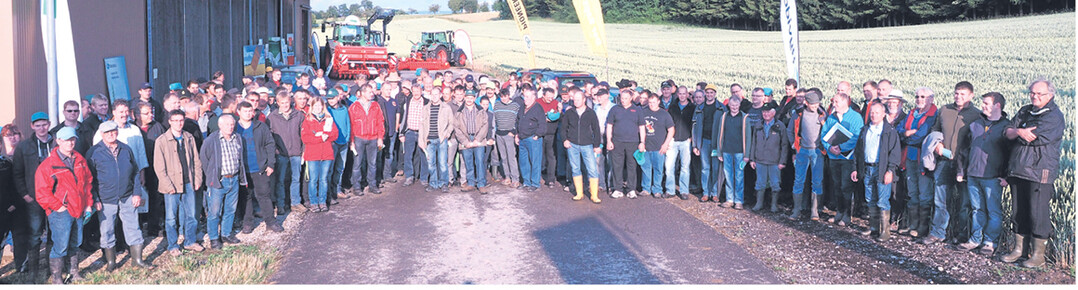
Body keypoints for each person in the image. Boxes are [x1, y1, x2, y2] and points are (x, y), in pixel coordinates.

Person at [999, 79, 1064, 268]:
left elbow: (1032, 139)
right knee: (1019, 212)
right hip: (1018, 169)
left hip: (1040, 171)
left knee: (1038, 214)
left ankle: (1038, 256)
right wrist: (1019, 131)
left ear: (1050, 95)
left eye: (1040, 94)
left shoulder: (1054, 117)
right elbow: (1007, 132)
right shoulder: (1025, 110)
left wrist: (1017, 132)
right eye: (1032, 93)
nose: (1035, 96)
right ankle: (1019, 250)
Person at [86, 121, 153, 271]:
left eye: (113, 131)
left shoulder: (126, 149)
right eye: (107, 132)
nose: (111, 134)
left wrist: (137, 193)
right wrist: (95, 198)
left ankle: (137, 259)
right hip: (105, 198)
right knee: (107, 229)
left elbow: (135, 172)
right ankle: (111, 262)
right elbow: (89, 179)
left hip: (127, 195)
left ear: (117, 131)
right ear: (101, 134)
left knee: (133, 227)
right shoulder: (94, 152)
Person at [922, 81, 981, 245]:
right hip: (943, 161)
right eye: (956, 93)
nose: (958, 97)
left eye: (963, 94)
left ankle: (961, 235)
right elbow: (934, 130)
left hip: (965, 165)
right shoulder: (944, 110)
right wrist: (937, 145)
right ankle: (937, 233)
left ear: (971, 95)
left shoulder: (977, 114)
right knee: (940, 200)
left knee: (964, 203)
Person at [953, 92, 1010, 254]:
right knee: (977, 209)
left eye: (986, 103)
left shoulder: (1006, 126)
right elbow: (964, 150)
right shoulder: (975, 124)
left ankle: (989, 242)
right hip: (972, 176)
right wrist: (961, 171)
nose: (982, 106)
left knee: (993, 211)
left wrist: (1006, 176)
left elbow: (1010, 154)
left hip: (993, 177)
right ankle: (975, 240)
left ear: (997, 105)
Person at [35, 127, 93, 284]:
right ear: (58, 141)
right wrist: (58, 207)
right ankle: (56, 277)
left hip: (79, 208)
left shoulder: (79, 159)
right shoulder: (48, 165)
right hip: (60, 212)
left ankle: (74, 272)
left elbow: (87, 183)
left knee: (76, 242)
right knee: (60, 245)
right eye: (66, 140)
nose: (70, 143)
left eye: (73, 139)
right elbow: (41, 193)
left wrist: (88, 204)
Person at [153, 110, 204, 256]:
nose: (178, 123)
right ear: (169, 121)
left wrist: (197, 179)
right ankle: (173, 245)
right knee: (171, 217)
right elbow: (159, 167)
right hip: (171, 185)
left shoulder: (188, 137)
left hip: (188, 182)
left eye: (181, 120)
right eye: (175, 120)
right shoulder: (162, 141)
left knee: (192, 215)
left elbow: (196, 160)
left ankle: (189, 241)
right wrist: (168, 186)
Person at [11, 112, 54, 279]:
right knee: (35, 233)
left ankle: (53, 267)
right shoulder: (24, 147)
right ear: (32, 126)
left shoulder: (57, 143)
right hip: (33, 198)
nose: (41, 128)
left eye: (44, 124)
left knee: (53, 233)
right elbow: (17, 173)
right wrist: (25, 194)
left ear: (49, 124)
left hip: (53, 197)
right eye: (37, 125)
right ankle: (34, 270)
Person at [851, 103, 901, 241]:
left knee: (883, 200)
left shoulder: (889, 131)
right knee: (870, 199)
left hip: (882, 169)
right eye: (872, 112)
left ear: (884, 114)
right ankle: (873, 227)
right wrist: (855, 168)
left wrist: (890, 170)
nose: (873, 115)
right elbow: (858, 151)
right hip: (867, 168)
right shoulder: (865, 130)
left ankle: (885, 231)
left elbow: (895, 153)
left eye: (877, 113)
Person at [235, 102, 283, 234]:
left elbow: (269, 144)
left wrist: (270, 164)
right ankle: (247, 223)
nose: (249, 113)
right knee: (246, 197)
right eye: (245, 111)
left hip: (259, 168)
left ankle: (271, 222)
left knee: (264, 196)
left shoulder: (260, 126)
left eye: (251, 111)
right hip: (243, 170)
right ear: (238, 112)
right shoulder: (234, 127)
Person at [899, 87, 938, 238]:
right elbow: (899, 130)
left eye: (923, 97)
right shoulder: (911, 113)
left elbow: (922, 136)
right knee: (912, 191)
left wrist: (907, 136)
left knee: (924, 193)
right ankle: (913, 224)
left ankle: (922, 227)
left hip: (923, 160)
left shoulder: (933, 115)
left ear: (931, 99)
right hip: (910, 157)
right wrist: (906, 133)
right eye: (917, 97)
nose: (919, 99)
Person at [821, 92, 863, 226]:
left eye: (836, 102)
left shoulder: (856, 117)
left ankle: (847, 214)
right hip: (834, 157)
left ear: (845, 102)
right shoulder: (831, 117)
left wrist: (841, 147)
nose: (834, 104)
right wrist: (829, 147)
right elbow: (824, 135)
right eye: (834, 102)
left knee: (846, 186)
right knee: (837, 185)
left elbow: (857, 136)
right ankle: (839, 211)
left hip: (848, 158)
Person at [786, 91, 826, 220]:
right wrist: (794, 145)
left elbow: (829, 131)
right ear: (806, 103)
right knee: (798, 181)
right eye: (812, 104)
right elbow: (790, 130)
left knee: (817, 182)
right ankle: (796, 209)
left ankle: (815, 211)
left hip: (817, 151)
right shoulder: (798, 114)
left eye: (817, 104)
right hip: (802, 151)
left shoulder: (823, 114)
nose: (815, 106)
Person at [560, 87, 603, 203]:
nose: (576, 102)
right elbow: (563, 128)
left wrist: (596, 145)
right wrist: (565, 140)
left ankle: (594, 195)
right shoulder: (569, 112)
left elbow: (596, 130)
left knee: (592, 169)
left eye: (578, 99)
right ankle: (579, 193)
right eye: (574, 99)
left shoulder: (591, 113)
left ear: (584, 100)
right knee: (575, 169)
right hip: (572, 144)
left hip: (587, 145)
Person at [266, 91, 306, 213]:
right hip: (281, 153)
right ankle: (281, 204)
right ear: (277, 103)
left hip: (296, 152)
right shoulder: (272, 117)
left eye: (287, 102)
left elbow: (303, 135)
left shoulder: (299, 115)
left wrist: (303, 151)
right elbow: (269, 137)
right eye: (282, 103)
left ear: (291, 102)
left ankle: (295, 202)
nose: (285, 105)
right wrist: (275, 150)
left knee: (295, 178)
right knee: (281, 180)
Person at [300, 98, 339, 212]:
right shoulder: (307, 120)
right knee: (313, 180)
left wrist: (326, 135)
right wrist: (319, 138)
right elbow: (305, 138)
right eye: (315, 106)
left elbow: (334, 134)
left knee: (323, 179)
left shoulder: (329, 119)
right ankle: (313, 202)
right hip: (312, 154)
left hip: (326, 153)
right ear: (312, 107)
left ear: (323, 106)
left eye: (320, 106)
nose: (318, 108)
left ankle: (322, 201)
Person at [748, 103, 786, 212]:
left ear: (773, 113)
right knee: (760, 183)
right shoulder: (758, 125)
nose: (766, 114)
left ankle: (774, 205)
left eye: (768, 111)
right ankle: (759, 203)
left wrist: (782, 161)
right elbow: (753, 143)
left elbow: (784, 145)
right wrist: (752, 159)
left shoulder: (780, 126)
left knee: (775, 183)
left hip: (775, 161)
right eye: (764, 111)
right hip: (760, 160)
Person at [349, 84, 386, 195]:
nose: (372, 94)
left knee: (372, 163)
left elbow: (380, 122)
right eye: (370, 92)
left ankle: (372, 185)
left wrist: (380, 138)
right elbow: (351, 125)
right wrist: (352, 142)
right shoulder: (354, 107)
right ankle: (356, 186)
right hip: (359, 138)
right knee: (357, 164)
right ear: (363, 93)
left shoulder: (375, 106)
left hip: (373, 138)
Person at [714, 95, 749, 208]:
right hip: (726, 151)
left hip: (739, 152)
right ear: (728, 105)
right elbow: (720, 134)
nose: (734, 107)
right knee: (728, 176)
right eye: (732, 105)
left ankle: (739, 200)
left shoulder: (744, 118)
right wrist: (719, 151)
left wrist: (747, 154)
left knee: (739, 176)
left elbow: (748, 138)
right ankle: (729, 199)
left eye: (736, 105)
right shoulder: (724, 117)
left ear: (739, 105)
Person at [693, 84, 725, 202]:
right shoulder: (699, 108)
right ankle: (705, 192)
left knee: (716, 168)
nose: (710, 94)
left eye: (712, 92)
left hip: (716, 143)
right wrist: (695, 145)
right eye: (708, 92)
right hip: (704, 142)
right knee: (705, 168)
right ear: (705, 94)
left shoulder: (721, 108)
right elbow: (694, 127)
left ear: (715, 94)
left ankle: (715, 193)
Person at [453, 91, 490, 193]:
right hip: (465, 139)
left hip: (479, 139)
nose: (469, 100)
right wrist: (465, 141)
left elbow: (485, 125)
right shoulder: (459, 112)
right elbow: (456, 128)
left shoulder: (481, 110)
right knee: (468, 163)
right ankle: (470, 183)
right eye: (467, 97)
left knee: (479, 162)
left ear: (474, 99)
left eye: (471, 97)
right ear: (464, 98)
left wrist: (477, 139)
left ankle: (481, 184)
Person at [420, 87, 455, 193]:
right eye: (432, 94)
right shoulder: (425, 108)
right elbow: (421, 125)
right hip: (429, 140)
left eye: (436, 94)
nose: (434, 97)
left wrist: (446, 135)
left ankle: (443, 183)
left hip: (441, 139)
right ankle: (433, 183)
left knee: (443, 163)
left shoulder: (446, 107)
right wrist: (422, 140)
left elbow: (451, 123)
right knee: (431, 163)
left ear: (440, 95)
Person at [640, 93, 675, 198]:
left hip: (659, 147)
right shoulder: (643, 112)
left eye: (654, 102)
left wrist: (665, 144)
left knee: (658, 170)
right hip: (646, 146)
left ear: (658, 102)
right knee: (645, 168)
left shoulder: (664, 114)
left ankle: (657, 189)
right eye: (650, 102)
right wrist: (641, 142)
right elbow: (640, 127)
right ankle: (646, 189)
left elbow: (671, 130)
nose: (651, 104)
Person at [665, 86, 695, 200]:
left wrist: (691, 138)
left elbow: (694, 124)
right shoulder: (672, 107)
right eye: (680, 94)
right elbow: (669, 124)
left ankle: (684, 191)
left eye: (684, 94)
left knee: (685, 167)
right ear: (677, 94)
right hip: (673, 140)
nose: (682, 96)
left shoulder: (692, 108)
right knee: (669, 167)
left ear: (687, 94)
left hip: (686, 141)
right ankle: (670, 190)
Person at [516, 86, 547, 192]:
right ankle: (526, 182)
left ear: (534, 97)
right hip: (522, 138)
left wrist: (537, 135)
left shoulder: (538, 108)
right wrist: (517, 134)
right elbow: (518, 121)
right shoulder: (522, 107)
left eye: (528, 97)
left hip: (533, 139)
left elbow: (542, 124)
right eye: (524, 96)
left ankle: (535, 183)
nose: (525, 99)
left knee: (535, 161)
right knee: (523, 161)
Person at [326, 86, 353, 202]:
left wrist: (347, 138)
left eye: (332, 98)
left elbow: (348, 124)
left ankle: (337, 190)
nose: (330, 101)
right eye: (328, 99)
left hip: (343, 143)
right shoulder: (327, 111)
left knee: (340, 168)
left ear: (338, 98)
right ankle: (329, 192)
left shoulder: (344, 109)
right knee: (330, 169)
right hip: (333, 143)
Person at [492, 87, 522, 188]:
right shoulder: (496, 105)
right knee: (503, 157)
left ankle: (515, 178)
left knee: (511, 157)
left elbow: (518, 120)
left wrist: (514, 131)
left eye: (505, 97)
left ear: (509, 96)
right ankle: (507, 177)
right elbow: (494, 119)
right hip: (499, 133)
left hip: (509, 134)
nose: (503, 99)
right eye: (501, 97)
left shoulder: (515, 106)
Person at [536, 88, 562, 188]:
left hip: (551, 134)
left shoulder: (556, 103)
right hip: (539, 134)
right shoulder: (537, 103)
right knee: (539, 156)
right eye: (548, 97)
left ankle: (551, 179)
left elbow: (561, 118)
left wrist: (559, 110)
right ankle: (538, 177)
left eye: (552, 97)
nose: (550, 99)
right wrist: (543, 118)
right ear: (543, 95)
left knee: (551, 157)